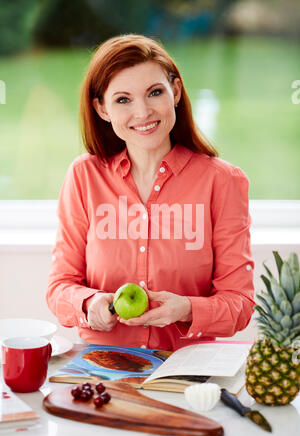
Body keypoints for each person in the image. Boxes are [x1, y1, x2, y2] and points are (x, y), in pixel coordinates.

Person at [46, 34, 255, 351]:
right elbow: (59, 287)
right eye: (123, 100)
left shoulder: (222, 181)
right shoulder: (84, 176)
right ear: (101, 109)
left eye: (154, 92)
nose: (142, 112)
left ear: (176, 92)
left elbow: (239, 304)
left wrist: (185, 309)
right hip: (102, 369)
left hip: (185, 373)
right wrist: (90, 304)